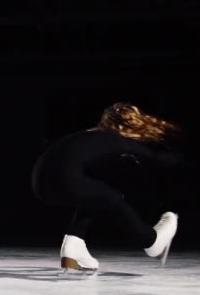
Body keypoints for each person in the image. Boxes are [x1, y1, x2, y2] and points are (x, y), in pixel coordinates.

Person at [31, 102, 183, 272]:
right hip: (66, 181)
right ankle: (150, 241)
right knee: (111, 197)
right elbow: (158, 159)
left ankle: (74, 246)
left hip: (40, 186)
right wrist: (181, 157)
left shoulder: (85, 136)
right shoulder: (118, 140)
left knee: (96, 193)